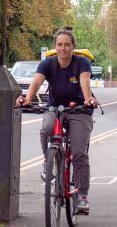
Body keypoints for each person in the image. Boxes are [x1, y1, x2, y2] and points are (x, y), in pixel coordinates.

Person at [17, 26, 98, 214]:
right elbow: (36, 82)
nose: (63, 48)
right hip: (55, 107)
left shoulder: (82, 63)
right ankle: (48, 160)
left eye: (67, 45)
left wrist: (87, 100)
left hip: (79, 109)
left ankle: (82, 196)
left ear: (73, 46)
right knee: (46, 129)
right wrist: (28, 99)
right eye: (60, 45)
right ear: (55, 46)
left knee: (78, 152)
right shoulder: (48, 63)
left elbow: (84, 81)